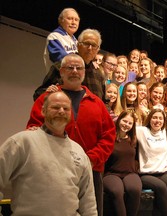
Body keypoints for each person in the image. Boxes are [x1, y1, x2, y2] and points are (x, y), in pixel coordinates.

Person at [27, 54, 116, 216]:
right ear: (61, 72)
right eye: (70, 67)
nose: (75, 71)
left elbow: (109, 136)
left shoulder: (97, 103)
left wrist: (89, 159)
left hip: (91, 172)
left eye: (79, 68)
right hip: (53, 171)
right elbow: (33, 128)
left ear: (84, 72)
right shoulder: (45, 99)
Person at [0, 91, 97, 215]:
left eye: (66, 108)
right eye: (55, 107)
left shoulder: (78, 151)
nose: (61, 111)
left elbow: (88, 201)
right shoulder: (22, 142)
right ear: (43, 111)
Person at [136, 109, 167, 216]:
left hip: (162, 173)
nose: (157, 121)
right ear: (150, 119)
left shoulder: (165, 132)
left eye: (160, 118)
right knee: (161, 187)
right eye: (154, 117)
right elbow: (126, 125)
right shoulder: (142, 131)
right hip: (146, 174)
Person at [103, 111, 142, 216]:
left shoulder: (133, 140)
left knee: (135, 189)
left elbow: (137, 158)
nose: (126, 125)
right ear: (119, 120)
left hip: (130, 173)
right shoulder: (110, 137)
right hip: (111, 174)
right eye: (124, 121)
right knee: (117, 191)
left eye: (130, 123)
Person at [43, 8, 80, 73]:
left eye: (76, 20)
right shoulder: (54, 37)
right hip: (58, 81)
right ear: (61, 20)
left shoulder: (76, 41)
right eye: (70, 19)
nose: (74, 22)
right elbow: (62, 59)